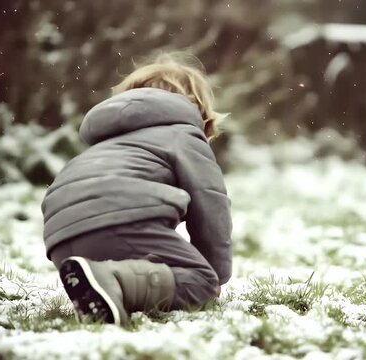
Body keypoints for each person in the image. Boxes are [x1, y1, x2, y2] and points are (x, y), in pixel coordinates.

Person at [41, 52, 232, 325]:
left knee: (153, 268)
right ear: (198, 109)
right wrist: (215, 274)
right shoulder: (182, 134)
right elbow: (211, 205)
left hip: (61, 239)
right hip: (118, 221)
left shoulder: (106, 141)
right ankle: (114, 278)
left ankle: (101, 279)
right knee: (200, 282)